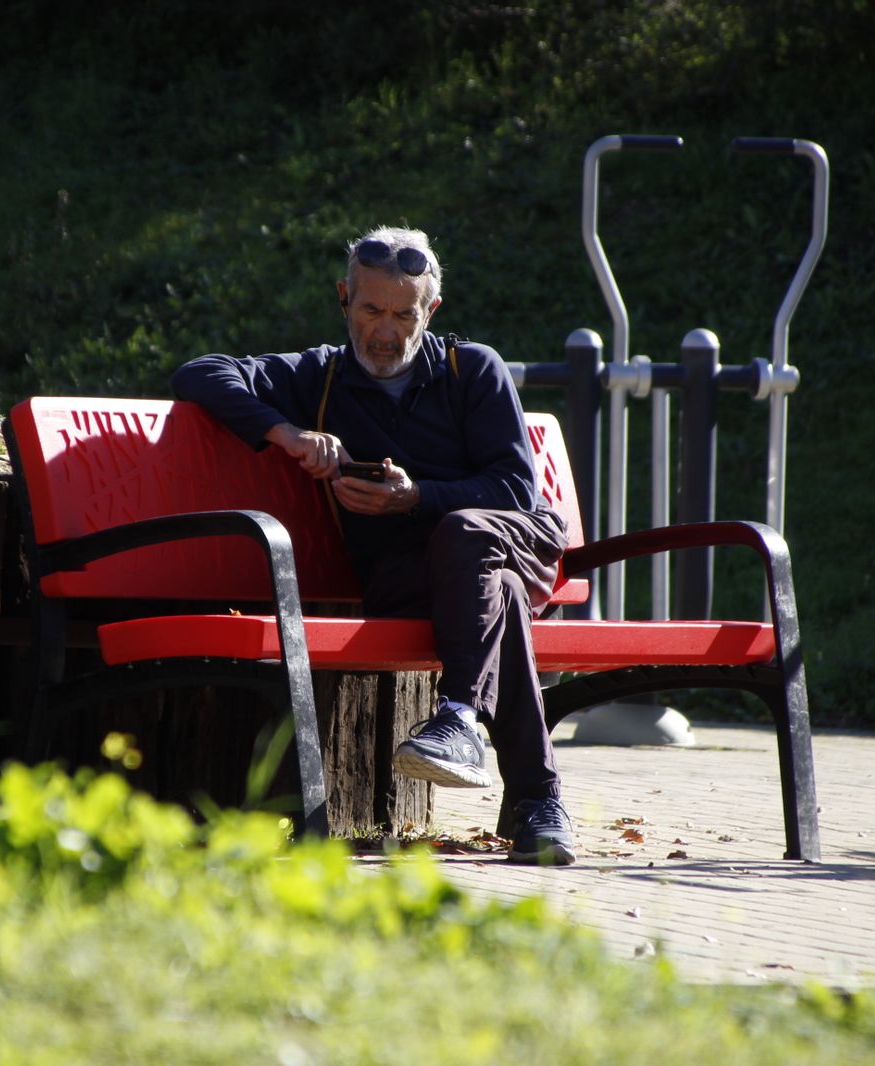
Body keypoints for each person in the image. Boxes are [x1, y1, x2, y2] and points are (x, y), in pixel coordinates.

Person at [170, 226, 575, 865]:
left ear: (431, 311)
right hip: (412, 579)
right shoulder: (320, 376)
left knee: (468, 536)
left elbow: (516, 490)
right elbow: (200, 373)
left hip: (509, 544)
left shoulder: (473, 369)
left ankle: (460, 717)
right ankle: (535, 800)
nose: (385, 332)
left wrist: (416, 497)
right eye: (370, 310)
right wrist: (286, 434)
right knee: (495, 598)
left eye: (403, 315)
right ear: (343, 298)